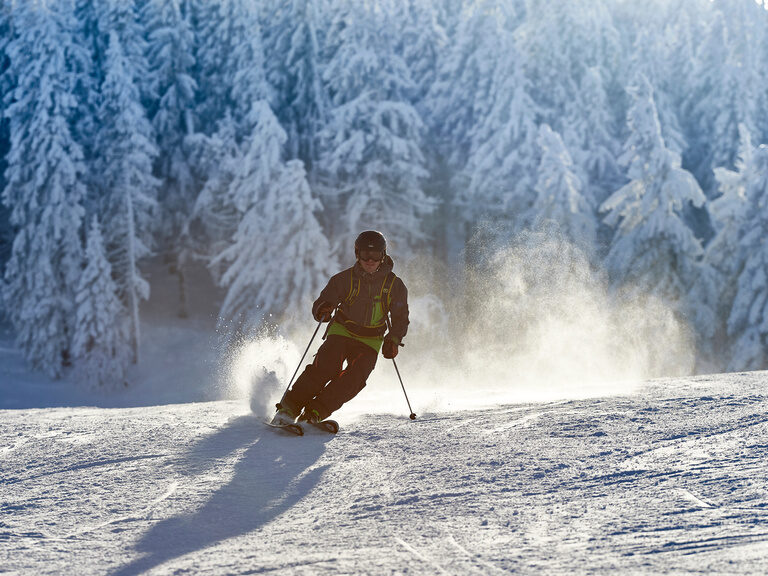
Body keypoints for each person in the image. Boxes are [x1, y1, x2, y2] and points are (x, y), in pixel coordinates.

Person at [272, 230, 409, 425]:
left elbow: (401, 317)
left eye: (376, 255)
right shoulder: (344, 280)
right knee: (326, 367)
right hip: (342, 330)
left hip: (371, 339)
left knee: (354, 379)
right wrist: (324, 309)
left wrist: (393, 339)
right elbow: (323, 302)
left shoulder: (395, 285)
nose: (370, 261)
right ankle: (289, 408)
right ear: (357, 254)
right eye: (365, 255)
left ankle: (314, 413)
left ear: (383, 255)